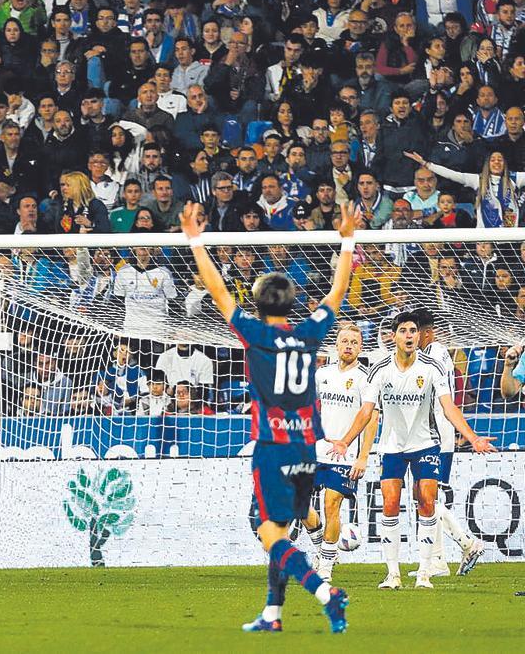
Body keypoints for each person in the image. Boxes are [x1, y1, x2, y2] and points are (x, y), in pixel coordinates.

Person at [180, 199, 357, 633]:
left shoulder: (256, 334)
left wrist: (195, 241)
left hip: (273, 447)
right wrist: (348, 240)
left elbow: (219, 291)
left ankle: (324, 591)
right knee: (286, 523)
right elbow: (337, 293)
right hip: (306, 448)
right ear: (293, 303)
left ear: (257, 304)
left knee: (269, 532)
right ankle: (273, 613)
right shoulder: (310, 332)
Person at [329, 311, 496, 590]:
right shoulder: (379, 370)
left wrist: (473, 437)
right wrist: (346, 440)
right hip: (392, 446)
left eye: (412, 331)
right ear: (394, 336)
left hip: (425, 444)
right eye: (403, 331)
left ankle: (424, 573)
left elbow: (448, 407)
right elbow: (367, 411)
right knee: (391, 504)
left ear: (419, 336)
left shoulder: (432, 367)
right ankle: (392, 574)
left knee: (427, 502)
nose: (408, 336)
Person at [413, 309, 486, 576]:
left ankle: (468, 543)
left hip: (438, 434)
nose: (411, 337)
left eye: (414, 331)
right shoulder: (438, 352)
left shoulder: (432, 355)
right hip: (430, 432)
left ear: (427, 332)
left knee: (426, 496)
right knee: (423, 496)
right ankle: (438, 561)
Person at [310, 322, 376, 582]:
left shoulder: (366, 378)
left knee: (331, 502)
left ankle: (325, 568)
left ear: (361, 347)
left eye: (354, 342)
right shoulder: (321, 374)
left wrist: (362, 456)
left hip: (346, 455)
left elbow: (372, 418)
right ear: (336, 345)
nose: (349, 346)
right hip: (318, 451)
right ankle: (324, 550)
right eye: (344, 341)